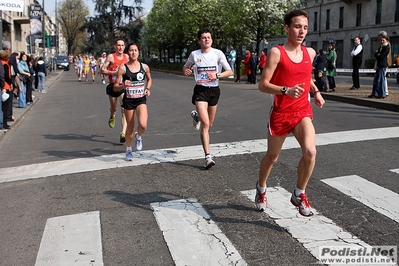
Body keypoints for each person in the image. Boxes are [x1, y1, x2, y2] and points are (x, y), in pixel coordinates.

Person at [254, 9, 325, 217]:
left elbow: (305, 76)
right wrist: (286, 90)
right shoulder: (277, 53)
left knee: (310, 152)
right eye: (297, 26)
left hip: (302, 111)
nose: (301, 31)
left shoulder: (310, 53)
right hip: (281, 112)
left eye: (304, 27)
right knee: (272, 158)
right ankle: (261, 188)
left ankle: (299, 193)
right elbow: (263, 84)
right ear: (287, 28)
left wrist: (316, 91)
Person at [182, 28, 232, 169]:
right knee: (205, 124)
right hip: (201, 90)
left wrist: (216, 75)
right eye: (203, 38)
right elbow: (185, 68)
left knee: (209, 123)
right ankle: (208, 157)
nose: (206, 39)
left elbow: (229, 71)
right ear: (199, 41)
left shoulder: (218, 53)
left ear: (212, 39)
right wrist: (186, 71)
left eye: (208, 37)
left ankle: (196, 116)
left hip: (214, 90)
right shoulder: (194, 54)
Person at [113, 43, 152, 161]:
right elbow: (115, 86)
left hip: (141, 99)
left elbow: (149, 79)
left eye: (135, 50)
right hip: (129, 100)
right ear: (128, 53)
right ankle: (129, 149)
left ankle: (138, 136)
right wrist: (122, 86)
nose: (133, 52)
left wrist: (147, 89)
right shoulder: (123, 68)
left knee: (143, 125)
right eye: (131, 50)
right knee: (130, 129)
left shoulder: (144, 67)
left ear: (138, 52)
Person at [100, 38, 129, 143]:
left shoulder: (127, 57)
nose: (120, 47)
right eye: (118, 45)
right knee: (114, 108)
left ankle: (123, 133)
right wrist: (113, 73)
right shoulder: (111, 57)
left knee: (124, 109)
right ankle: (112, 116)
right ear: (115, 47)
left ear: (124, 47)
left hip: (122, 86)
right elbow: (102, 70)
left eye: (122, 45)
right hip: (112, 86)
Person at [369, 31, 390, 99]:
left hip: (382, 65)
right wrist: (377, 54)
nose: (381, 41)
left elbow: (381, 56)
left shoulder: (386, 47)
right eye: (381, 40)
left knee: (381, 80)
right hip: (378, 65)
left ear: (385, 40)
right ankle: (374, 93)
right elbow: (376, 54)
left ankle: (382, 94)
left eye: (383, 40)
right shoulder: (380, 47)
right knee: (376, 80)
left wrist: (378, 54)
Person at [0, 50, 12, 130]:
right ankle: (4, 123)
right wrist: (10, 83)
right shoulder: (5, 64)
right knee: (5, 106)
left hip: (3, 85)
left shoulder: (2, 63)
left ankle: (4, 122)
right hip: (6, 86)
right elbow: (6, 76)